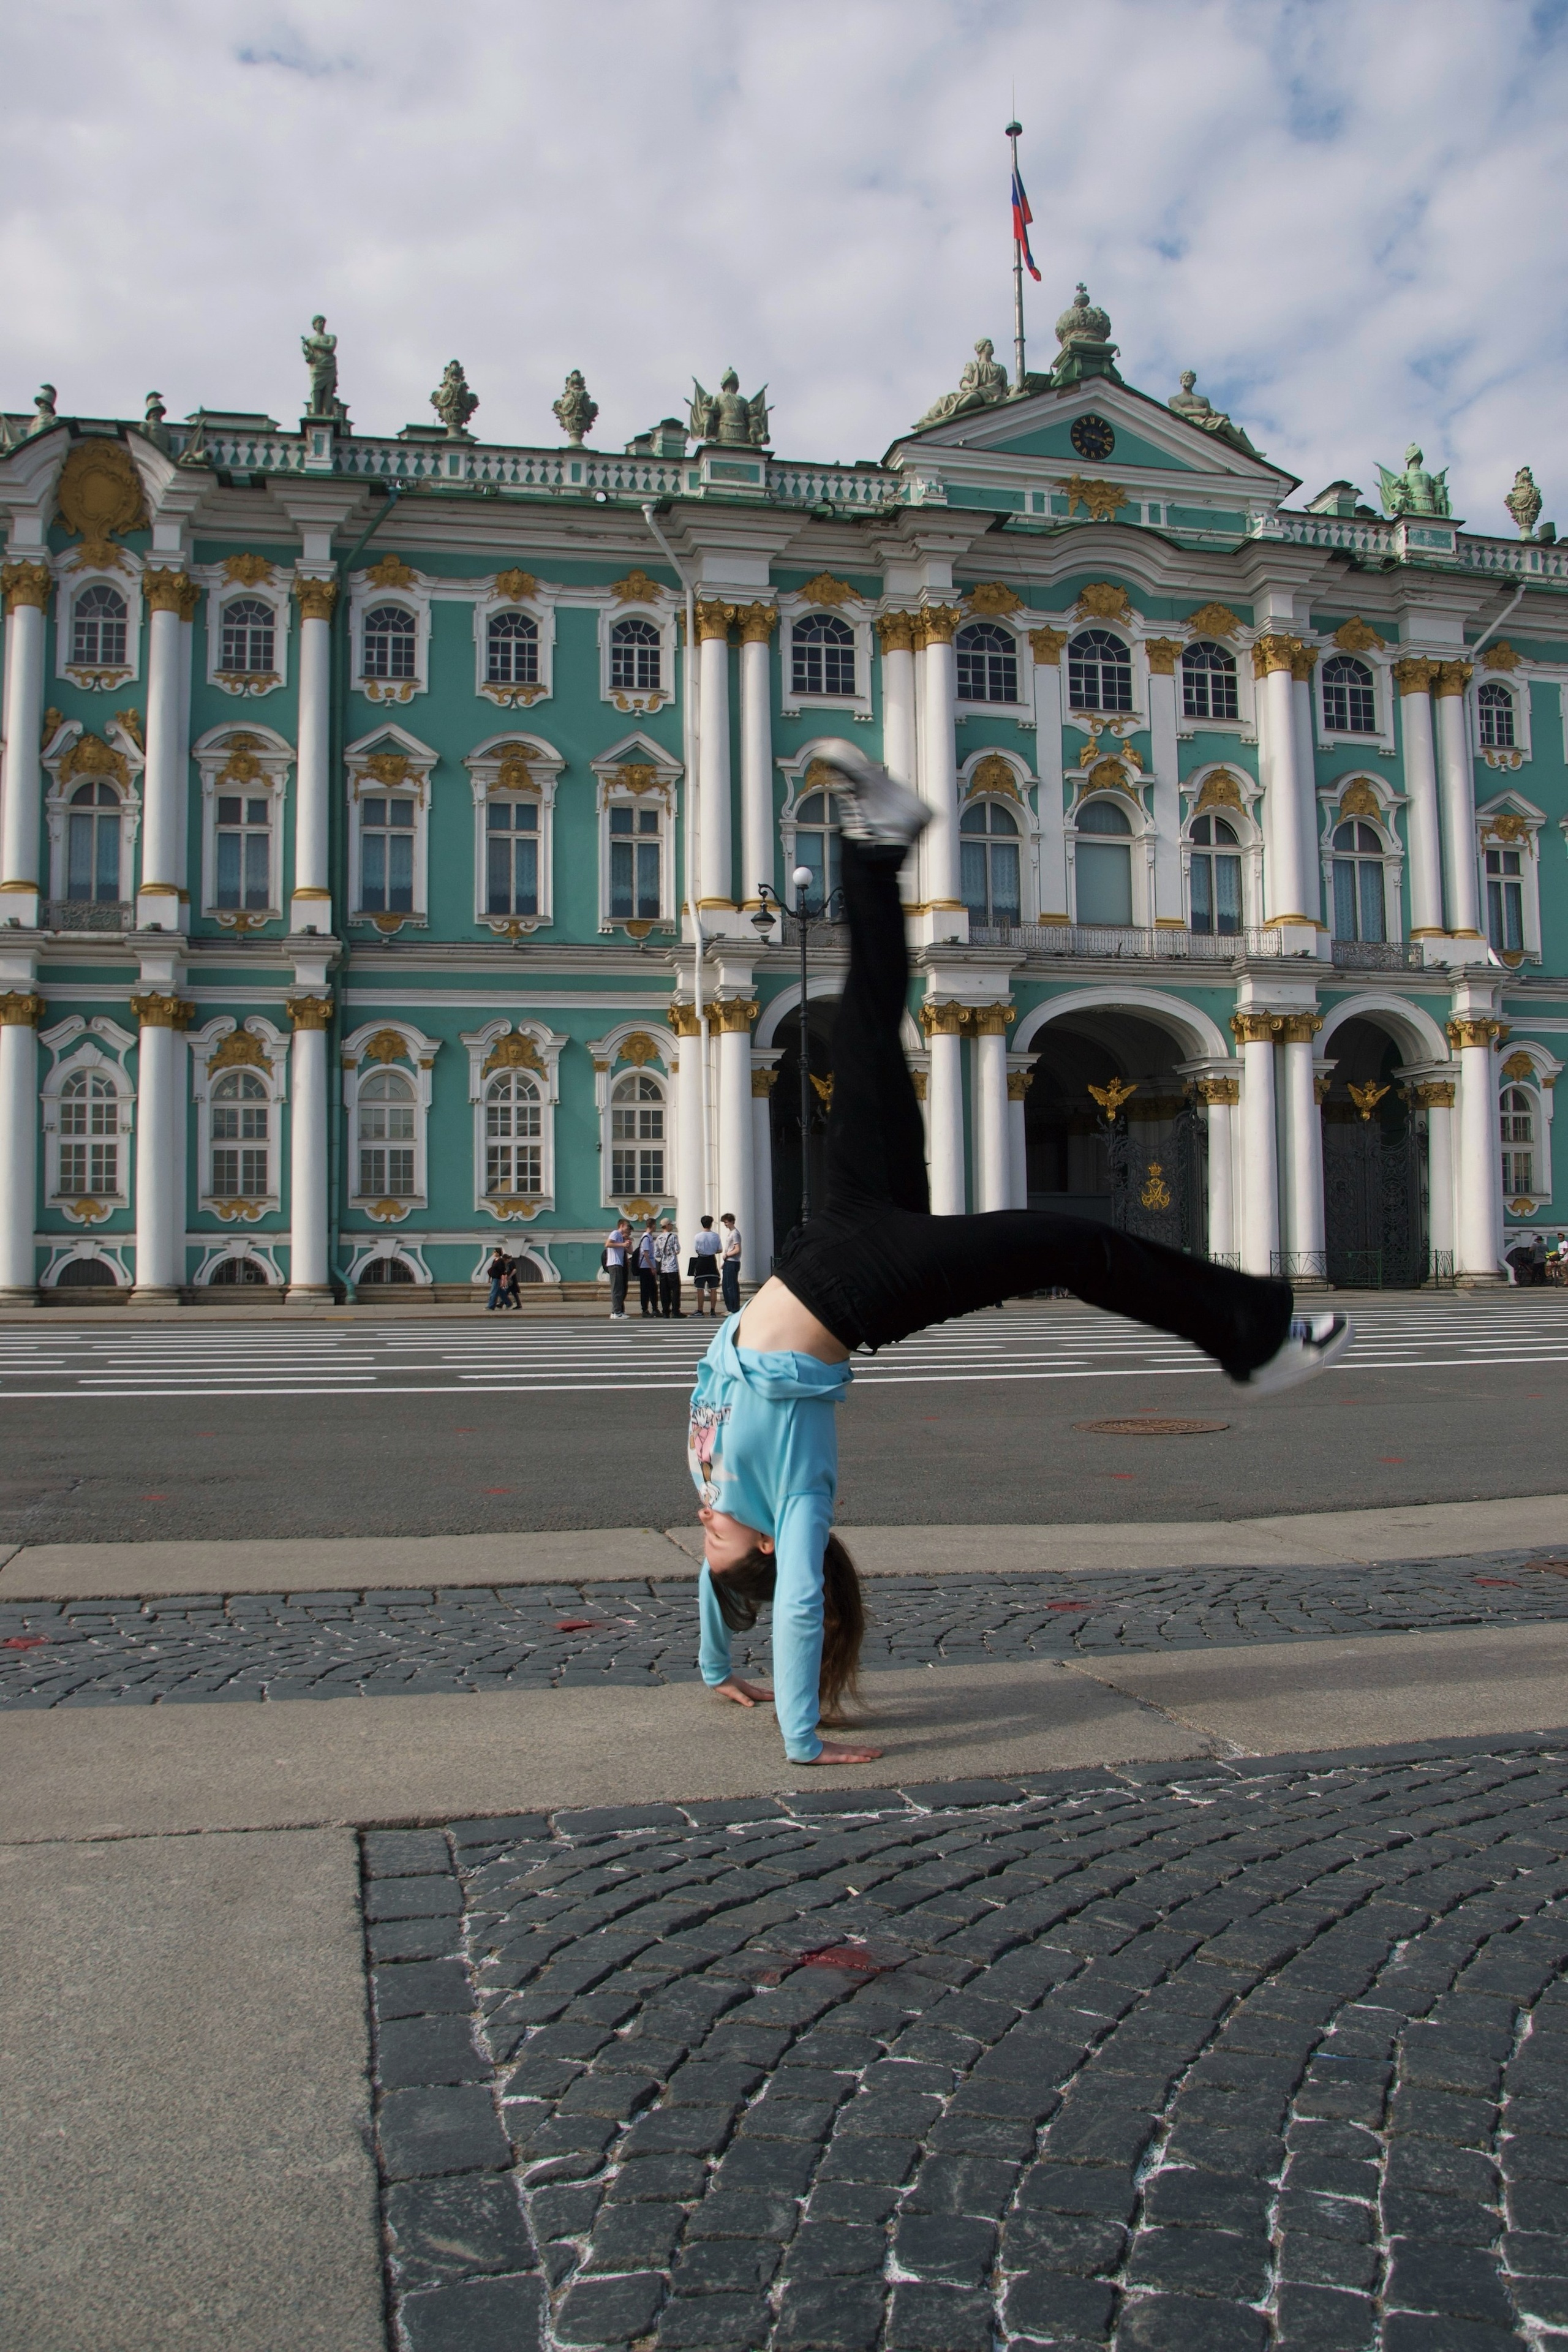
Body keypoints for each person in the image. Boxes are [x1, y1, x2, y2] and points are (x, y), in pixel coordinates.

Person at [688, 741, 1354, 1768]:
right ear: (766, 1544)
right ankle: (1258, 1339)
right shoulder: (792, 1500)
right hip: (858, 1286)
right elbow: (800, 1594)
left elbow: (715, 1584)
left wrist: (710, 1668)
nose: (702, 1532)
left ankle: (878, 847)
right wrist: (800, 1736)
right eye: (720, 1546)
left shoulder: (717, 1491)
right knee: (1075, 1243)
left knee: (863, 1030)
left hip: (824, 1241)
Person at [691, 1216, 723, 1316]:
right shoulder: (716, 1236)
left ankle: (700, 1310)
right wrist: (712, 1250)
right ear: (711, 1223)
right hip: (711, 1261)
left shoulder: (698, 1236)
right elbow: (720, 1250)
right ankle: (712, 1310)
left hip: (701, 1261)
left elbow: (696, 1249)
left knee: (700, 1287)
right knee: (713, 1287)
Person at [603, 1218, 632, 1319]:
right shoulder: (615, 1233)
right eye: (627, 1226)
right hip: (614, 1264)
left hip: (619, 1264)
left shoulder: (621, 1236)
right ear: (622, 1226)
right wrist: (622, 1245)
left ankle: (617, 1311)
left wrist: (627, 1243)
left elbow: (631, 1252)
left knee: (620, 1288)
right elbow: (608, 1244)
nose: (628, 1228)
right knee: (617, 1289)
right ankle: (617, 1312)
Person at [656, 1218, 683, 1317]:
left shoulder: (659, 1238)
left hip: (663, 1268)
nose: (672, 1226)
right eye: (671, 1224)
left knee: (664, 1291)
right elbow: (677, 1250)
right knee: (675, 1290)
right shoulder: (673, 1237)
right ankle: (676, 1311)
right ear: (667, 1225)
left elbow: (657, 1254)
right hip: (673, 1268)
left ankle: (665, 1312)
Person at [720, 1212, 744, 1316]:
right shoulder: (731, 1233)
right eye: (724, 1222)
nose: (725, 1224)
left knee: (731, 1286)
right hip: (729, 1262)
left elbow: (737, 1249)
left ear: (732, 1222)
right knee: (726, 1285)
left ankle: (734, 1309)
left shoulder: (735, 1233)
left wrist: (727, 1255)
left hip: (733, 1262)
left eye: (727, 1222)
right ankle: (730, 1307)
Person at [636, 1218, 660, 1317]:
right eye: (655, 1225)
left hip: (648, 1267)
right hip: (645, 1267)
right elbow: (646, 1254)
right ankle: (645, 1310)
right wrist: (652, 1267)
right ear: (653, 1225)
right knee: (646, 1289)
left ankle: (655, 1309)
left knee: (653, 1288)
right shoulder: (646, 1237)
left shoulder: (649, 1237)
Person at [486, 1246, 509, 1312]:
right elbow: (493, 1269)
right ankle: (508, 1303)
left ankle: (491, 1306)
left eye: (495, 1252)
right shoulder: (495, 1260)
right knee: (500, 1292)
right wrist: (490, 1278)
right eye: (494, 1252)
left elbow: (503, 1270)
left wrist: (503, 1279)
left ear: (498, 1253)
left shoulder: (500, 1261)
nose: (494, 1253)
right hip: (494, 1278)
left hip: (497, 1278)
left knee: (494, 1292)